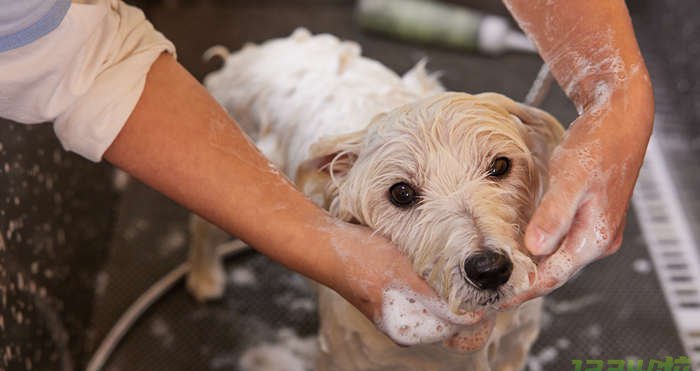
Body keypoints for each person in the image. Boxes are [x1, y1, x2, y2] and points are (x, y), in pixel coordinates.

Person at [0, 0, 653, 334]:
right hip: (249, 90)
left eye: (500, 168)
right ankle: (202, 254)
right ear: (331, 184)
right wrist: (328, 248)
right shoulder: (331, 176)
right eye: (401, 194)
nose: (484, 248)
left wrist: (617, 92)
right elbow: (91, 64)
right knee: (210, 220)